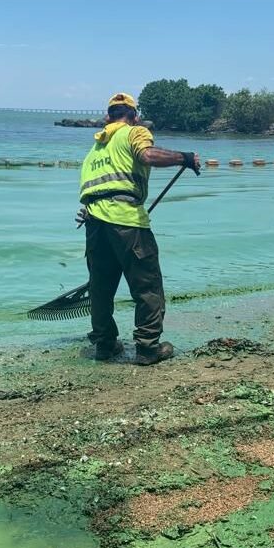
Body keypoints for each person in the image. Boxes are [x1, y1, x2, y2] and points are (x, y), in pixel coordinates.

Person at [77, 93, 200, 365]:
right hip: (127, 221)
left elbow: (92, 191)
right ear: (134, 117)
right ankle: (147, 348)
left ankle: (105, 345)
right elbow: (147, 155)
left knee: (101, 287)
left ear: (107, 117)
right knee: (147, 285)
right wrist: (184, 157)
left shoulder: (94, 151)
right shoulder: (134, 132)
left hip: (94, 223)